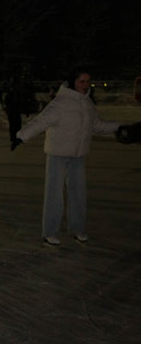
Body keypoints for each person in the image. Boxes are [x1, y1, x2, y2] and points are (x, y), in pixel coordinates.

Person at [12, 69, 121, 246]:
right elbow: (41, 121)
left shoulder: (87, 104)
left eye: (87, 81)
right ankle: (50, 232)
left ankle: (77, 229)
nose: (86, 85)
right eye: (82, 81)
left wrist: (118, 127)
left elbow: (96, 125)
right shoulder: (61, 103)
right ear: (73, 82)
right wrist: (21, 136)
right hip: (58, 154)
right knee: (54, 194)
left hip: (78, 155)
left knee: (78, 194)